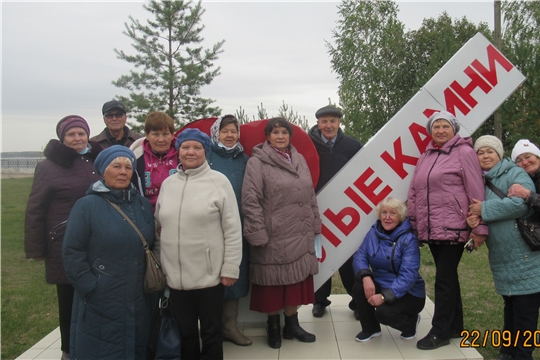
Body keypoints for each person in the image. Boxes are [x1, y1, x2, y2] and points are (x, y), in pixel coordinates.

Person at [154, 128, 242, 360]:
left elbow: (232, 229)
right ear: (178, 151)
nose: (190, 152)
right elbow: (158, 226)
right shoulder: (168, 184)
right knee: (186, 333)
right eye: (185, 147)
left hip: (209, 276)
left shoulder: (218, 182)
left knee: (212, 332)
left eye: (197, 148)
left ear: (205, 151)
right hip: (175, 277)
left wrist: (230, 267)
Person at [62, 146, 155, 359]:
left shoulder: (142, 205)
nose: (123, 172)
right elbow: (72, 252)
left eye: (128, 167)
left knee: (135, 347)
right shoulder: (87, 206)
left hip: (138, 299)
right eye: (116, 166)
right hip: (100, 299)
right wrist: (92, 287)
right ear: (103, 171)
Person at [407, 110, 488, 350]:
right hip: (432, 229)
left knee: (443, 279)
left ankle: (439, 331)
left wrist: (480, 226)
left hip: (454, 227)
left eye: (445, 126)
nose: (440, 130)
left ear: (454, 129)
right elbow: (414, 191)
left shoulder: (464, 152)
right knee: (448, 278)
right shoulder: (426, 155)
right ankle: (454, 326)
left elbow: (476, 189)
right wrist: (414, 225)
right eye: (436, 127)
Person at [25, 115, 102, 360]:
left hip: (98, 239)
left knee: (99, 294)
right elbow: (35, 207)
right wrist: (36, 248)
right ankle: (69, 349)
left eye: (81, 133)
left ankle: (96, 344)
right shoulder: (48, 167)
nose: (77, 138)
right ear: (62, 138)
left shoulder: (97, 160)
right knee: (69, 298)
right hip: (64, 241)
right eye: (71, 134)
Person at [242, 117, 320, 349]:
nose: (280, 136)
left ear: (290, 136)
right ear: (267, 137)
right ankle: (273, 326)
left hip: (299, 230)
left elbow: (310, 195)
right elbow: (250, 200)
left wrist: (315, 223)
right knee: (273, 284)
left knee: (295, 281)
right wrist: (256, 232)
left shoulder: (299, 159)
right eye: (275, 132)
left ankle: (292, 325)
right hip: (273, 234)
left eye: (284, 132)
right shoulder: (257, 163)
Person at [467, 135, 540, 360]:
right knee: (509, 304)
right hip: (501, 256)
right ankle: (508, 351)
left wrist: (484, 209)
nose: (485, 156)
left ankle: (522, 355)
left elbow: (520, 205)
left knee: (525, 309)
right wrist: (475, 221)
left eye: (490, 151)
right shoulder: (478, 180)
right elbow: (475, 209)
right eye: (480, 152)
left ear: (499, 154)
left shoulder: (515, 174)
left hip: (524, 255)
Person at [308, 104, 362, 319]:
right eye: (324, 121)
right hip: (318, 208)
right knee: (320, 255)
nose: (328, 125)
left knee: (349, 256)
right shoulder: (308, 145)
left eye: (332, 121)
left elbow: (363, 171)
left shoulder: (352, 145)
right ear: (318, 123)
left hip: (347, 209)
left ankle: (357, 301)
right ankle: (320, 300)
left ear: (340, 122)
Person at [352, 197, 425, 342]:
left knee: (383, 313)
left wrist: (384, 296)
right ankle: (370, 329)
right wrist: (366, 277)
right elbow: (360, 255)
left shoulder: (409, 239)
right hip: (381, 283)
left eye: (392, 213)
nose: (387, 217)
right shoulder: (373, 232)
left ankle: (410, 324)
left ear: (400, 216)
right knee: (359, 288)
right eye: (384, 213)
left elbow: (408, 276)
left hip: (409, 292)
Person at [207, 115, 252, 346]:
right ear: (216, 133)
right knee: (211, 275)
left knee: (235, 274)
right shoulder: (206, 156)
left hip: (238, 227)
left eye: (233, 131)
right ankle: (211, 330)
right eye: (224, 131)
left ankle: (230, 326)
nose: (229, 135)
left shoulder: (245, 160)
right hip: (210, 228)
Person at [130, 111, 178, 211]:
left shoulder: (182, 156)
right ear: (147, 135)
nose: (161, 139)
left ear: (172, 135)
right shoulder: (136, 158)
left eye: (165, 134)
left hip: (176, 213)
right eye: (155, 134)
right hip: (145, 213)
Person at [508, 139, 540, 215]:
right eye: (519, 161)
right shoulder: (519, 180)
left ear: (538, 157)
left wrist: (528, 195)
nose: (525, 162)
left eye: (528, 157)